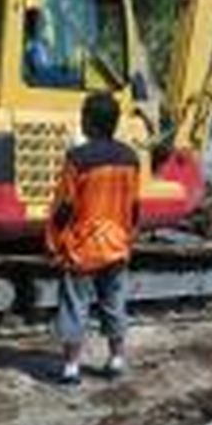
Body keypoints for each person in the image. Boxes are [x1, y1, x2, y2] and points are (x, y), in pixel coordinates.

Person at [45, 92, 141, 385]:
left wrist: (54, 243)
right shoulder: (130, 158)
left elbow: (64, 207)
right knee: (114, 304)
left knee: (75, 306)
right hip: (116, 245)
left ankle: (72, 368)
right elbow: (134, 206)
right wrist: (128, 240)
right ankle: (116, 359)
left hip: (83, 248)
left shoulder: (78, 159)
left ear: (89, 121)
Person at [24, 7, 80, 89]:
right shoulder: (34, 48)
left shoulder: (42, 44)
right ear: (37, 26)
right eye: (43, 23)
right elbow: (44, 75)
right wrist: (71, 77)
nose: (45, 27)